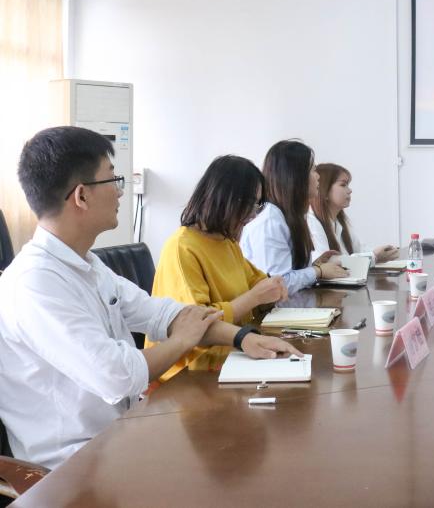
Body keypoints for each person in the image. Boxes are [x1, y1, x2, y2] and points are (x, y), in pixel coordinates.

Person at [0, 127, 299, 469]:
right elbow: (117, 376)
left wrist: (243, 338)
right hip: (72, 467)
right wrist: (182, 340)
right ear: (81, 196)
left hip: (123, 437)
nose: (120, 191)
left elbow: (165, 315)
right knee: (233, 466)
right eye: (113, 179)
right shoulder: (34, 283)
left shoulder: (88, 265)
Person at [149, 155, 290, 379]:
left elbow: (257, 282)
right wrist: (255, 297)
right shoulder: (182, 247)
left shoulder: (227, 243)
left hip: (230, 355)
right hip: (187, 372)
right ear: (224, 198)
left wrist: (272, 290)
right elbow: (196, 326)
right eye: (250, 205)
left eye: (257, 205)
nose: (253, 215)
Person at [241, 140, 348, 294]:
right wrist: (317, 271)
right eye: (313, 170)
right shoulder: (270, 221)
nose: (318, 176)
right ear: (295, 176)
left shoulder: (290, 216)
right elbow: (277, 283)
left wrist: (314, 265)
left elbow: (288, 273)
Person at [307, 163, 398, 264]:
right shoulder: (311, 221)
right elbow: (324, 262)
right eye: (343, 185)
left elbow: (360, 250)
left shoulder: (339, 222)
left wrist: (383, 254)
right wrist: (374, 256)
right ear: (324, 190)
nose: (350, 191)